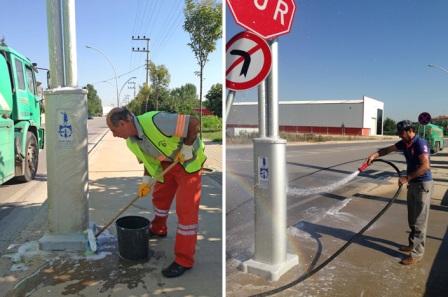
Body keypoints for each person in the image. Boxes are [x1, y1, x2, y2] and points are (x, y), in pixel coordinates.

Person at [106, 107, 206, 277]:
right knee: (160, 199)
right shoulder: (131, 141)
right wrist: (146, 181)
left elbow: (193, 122)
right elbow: (148, 160)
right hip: (167, 166)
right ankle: (159, 228)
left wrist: (187, 147)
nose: (114, 135)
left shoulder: (155, 120)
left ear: (123, 123)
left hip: (188, 164)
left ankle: (184, 260)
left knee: (186, 211)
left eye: (114, 130)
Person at [366, 120, 433, 265]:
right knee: (412, 219)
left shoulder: (419, 143)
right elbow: (387, 150)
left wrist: (407, 178)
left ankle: (416, 255)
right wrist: (375, 155)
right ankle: (411, 245)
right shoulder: (404, 142)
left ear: (410, 131)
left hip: (423, 185)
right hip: (413, 184)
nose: (400, 136)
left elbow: (425, 166)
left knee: (420, 221)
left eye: (401, 133)